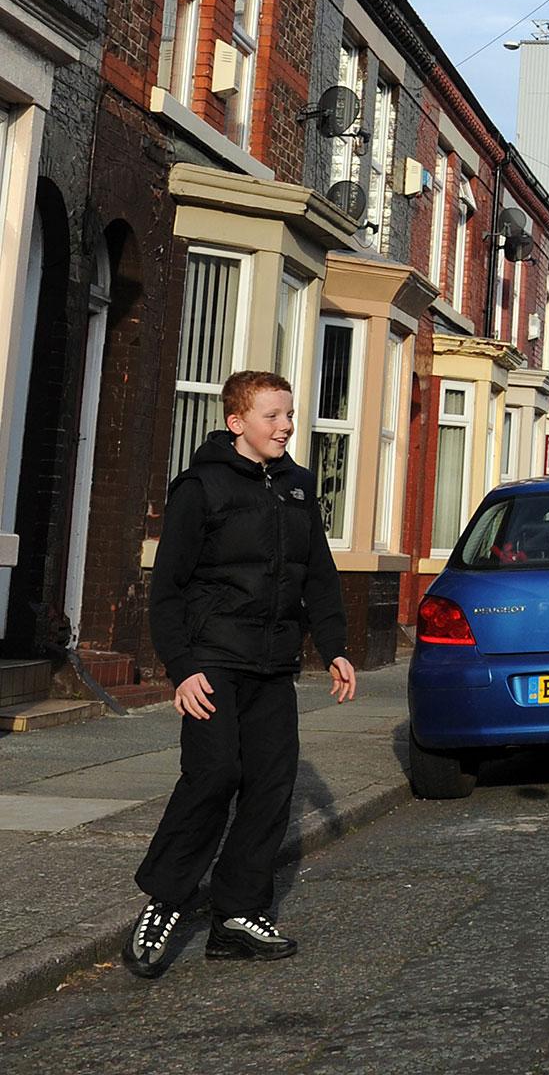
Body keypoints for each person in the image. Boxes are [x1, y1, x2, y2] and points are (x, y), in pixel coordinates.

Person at [123, 370, 356, 979]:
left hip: (273, 662)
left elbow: (319, 576)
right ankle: (166, 900)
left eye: (289, 415)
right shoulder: (200, 487)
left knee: (271, 784)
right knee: (214, 774)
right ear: (237, 423)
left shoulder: (300, 487)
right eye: (272, 416)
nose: (285, 426)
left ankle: (236, 915)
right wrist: (180, 669)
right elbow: (167, 588)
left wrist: (333, 647)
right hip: (212, 661)